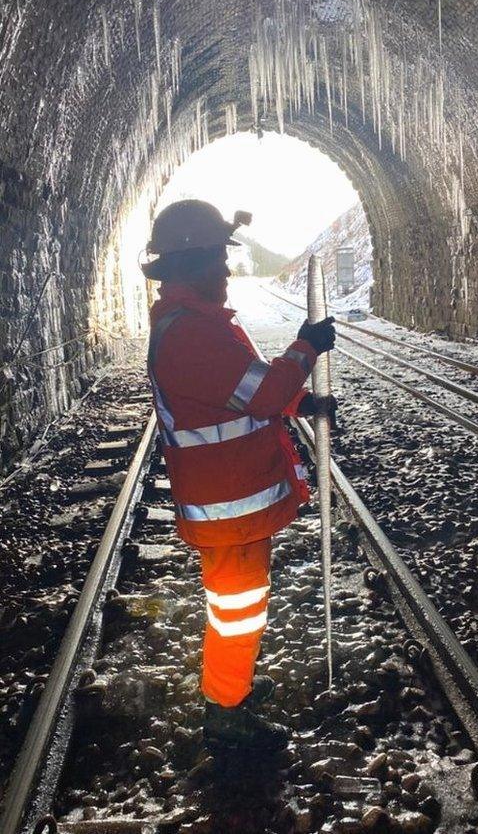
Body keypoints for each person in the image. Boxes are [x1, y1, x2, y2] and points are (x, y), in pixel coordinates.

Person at [141, 199, 336, 749]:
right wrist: (305, 347)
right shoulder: (189, 334)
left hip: (233, 498)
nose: (226, 272)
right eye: (218, 261)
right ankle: (227, 713)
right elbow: (262, 392)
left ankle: (233, 684)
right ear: (192, 263)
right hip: (228, 504)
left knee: (241, 606)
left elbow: (242, 392)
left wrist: (303, 405)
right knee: (237, 611)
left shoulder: (194, 325)